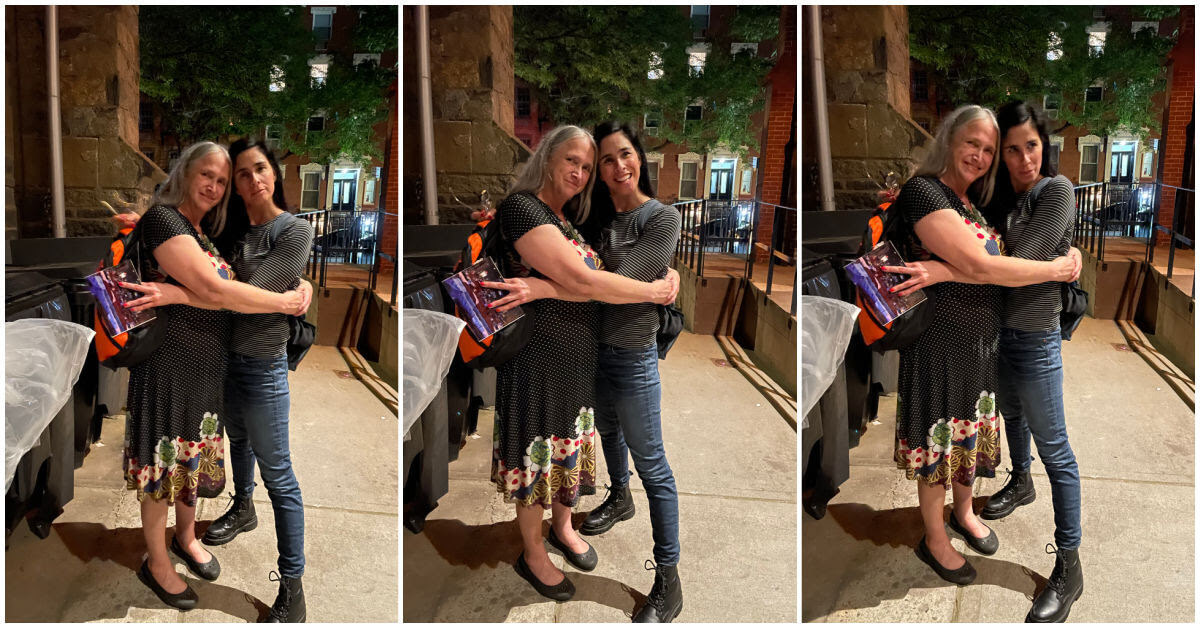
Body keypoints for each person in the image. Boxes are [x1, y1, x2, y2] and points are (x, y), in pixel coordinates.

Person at [892, 101, 1084, 621]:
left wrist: (1064, 261)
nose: (984, 155)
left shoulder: (981, 201)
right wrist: (954, 270)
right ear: (949, 141)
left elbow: (1011, 261)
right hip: (940, 345)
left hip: (988, 345)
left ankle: (969, 513)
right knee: (940, 443)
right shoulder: (928, 191)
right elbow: (987, 264)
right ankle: (935, 537)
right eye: (973, 144)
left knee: (973, 441)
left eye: (989, 148)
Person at [477, 124, 678, 603]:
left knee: (572, 453)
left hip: (583, 359)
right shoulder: (525, 207)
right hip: (538, 359)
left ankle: (563, 528)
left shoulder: (570, 218)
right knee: (537, 458)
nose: (583, 171)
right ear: (547, 157)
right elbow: (586, 281)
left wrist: (661, 271)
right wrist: (653, 289)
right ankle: (532, 551)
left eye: (588, 166)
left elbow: (603, 275)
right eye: (577, 161)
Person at [125, 139, 315, 622]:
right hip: (172, 367)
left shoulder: (216, 231)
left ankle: (191, 540)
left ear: (276, 172)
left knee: (212, 464)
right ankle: (158, 560)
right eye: (210, 174)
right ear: (185, 172)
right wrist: (284, 301)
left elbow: (226, 287)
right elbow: (218, 290)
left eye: (224, 179)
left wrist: (181, 291)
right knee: (165, 466)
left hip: (219, 368)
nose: (219, 185)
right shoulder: (171, 220)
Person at [578, 121, 683, 623]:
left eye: (625, 154)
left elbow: (619, 281)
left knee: (654, 465)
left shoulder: (661, 218)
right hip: (590, 349)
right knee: (606, 431)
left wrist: (587, 280)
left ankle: (668, 577)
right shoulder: (592, 217)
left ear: (639, 156)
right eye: (606, 160)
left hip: (633, 352)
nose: (619, 166)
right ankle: (619, 498)